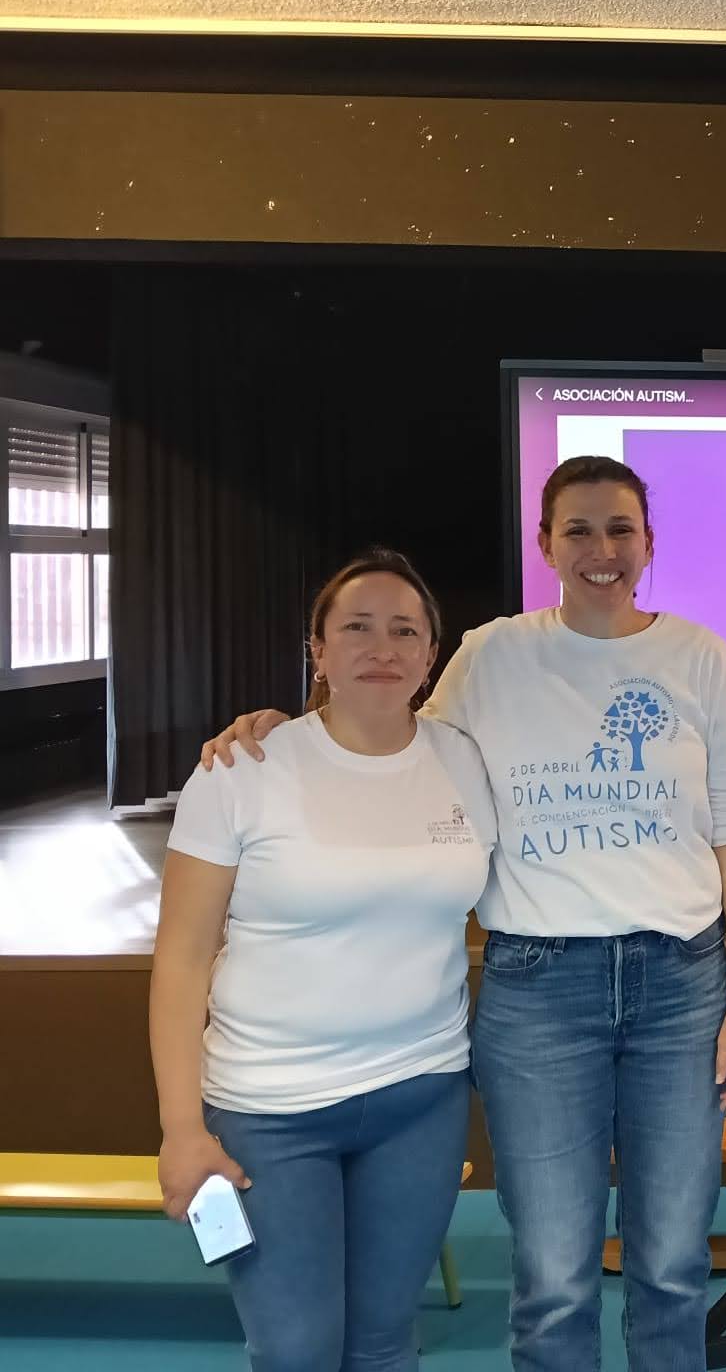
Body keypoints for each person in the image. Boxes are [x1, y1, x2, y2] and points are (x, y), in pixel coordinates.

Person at [204, 456, 726, 1372]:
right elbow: (391, 732)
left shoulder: (702, 659)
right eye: (577, 529)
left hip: (683, 986)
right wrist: (285, 726)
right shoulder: (492, 654)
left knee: (672, 1264)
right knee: (554, 1276)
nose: (600, 549)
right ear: (544, 544)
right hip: (540, 991)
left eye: (620, 529)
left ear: (649, 545)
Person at [153, 550, 494, 1372]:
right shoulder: (240, 771)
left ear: (430, 655)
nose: (382, 647)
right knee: (295, 1349)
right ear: (319, 649)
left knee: (384, 1343)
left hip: (421, 1097)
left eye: (404, 631)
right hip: (269, 1110)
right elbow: (181, 962)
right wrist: (180, 1130)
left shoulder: (466, 761)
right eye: (357, 627)